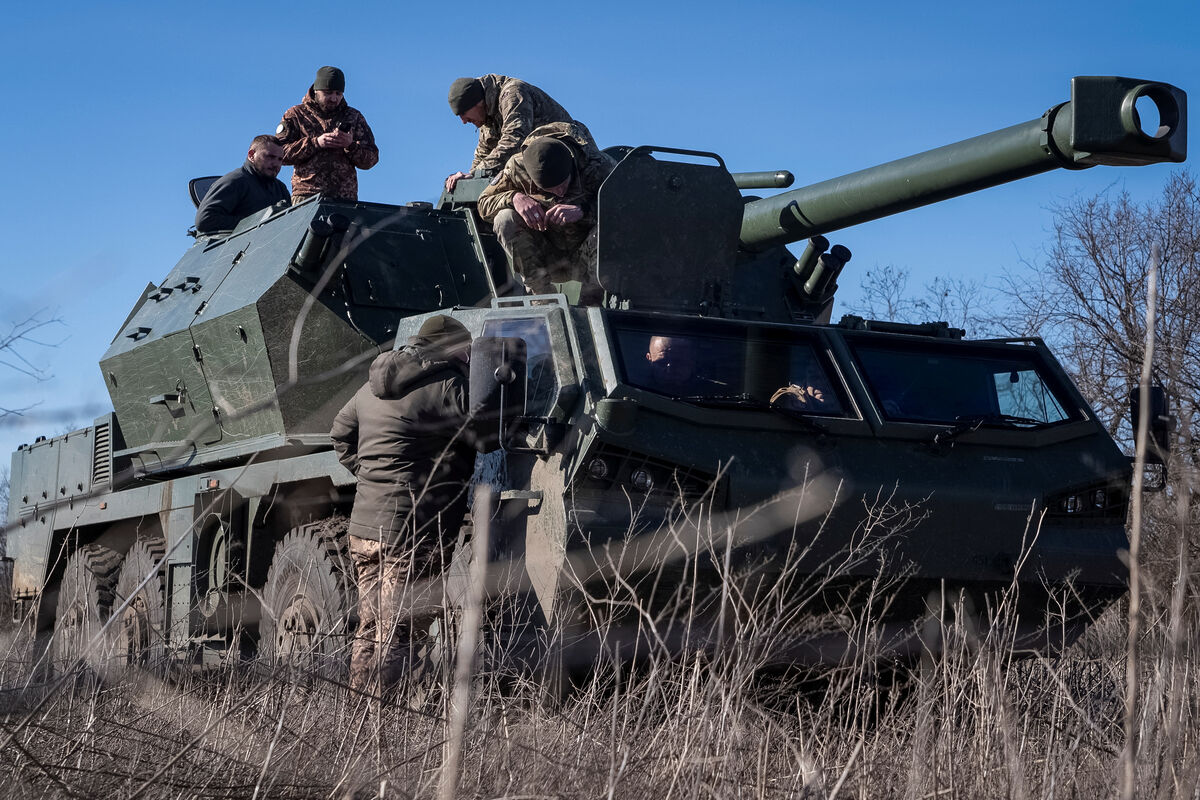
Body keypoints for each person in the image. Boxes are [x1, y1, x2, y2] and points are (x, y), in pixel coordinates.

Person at [329, 315, 490, 698]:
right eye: (465, 348)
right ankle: (382, 722)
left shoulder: (371, 385)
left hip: (365, 531)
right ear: (450, 347)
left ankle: (359, 714)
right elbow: (487, 434)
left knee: (370, 626)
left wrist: (372, 475)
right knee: (399, 630)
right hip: (413, 530)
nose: (468, 355)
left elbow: (339, 433)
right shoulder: (448, 384)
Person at [476, 122, 614, 304]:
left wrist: (584, 211)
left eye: (563, 184)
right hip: (545, 256)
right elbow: (483, 203)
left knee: (605, 230)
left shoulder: (598, 165)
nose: (559, 193)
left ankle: (590, 307)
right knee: (505, 219)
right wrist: (514, 197)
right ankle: (545, 302)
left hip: (586, 257)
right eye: (550, 189)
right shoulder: (517, 167)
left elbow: (627, 210)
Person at [444, 74, 588, 193]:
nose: (464, 121)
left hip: (568, 161)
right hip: (539, 168)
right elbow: (484, 152)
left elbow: (514, 140)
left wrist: (476, 173)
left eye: (463, 114)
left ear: (478, 103)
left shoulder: (513, 94)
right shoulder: (486, 116)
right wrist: (469, 178)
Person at [276, 66, 378, 202]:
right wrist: (315, 143)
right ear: (316, 90)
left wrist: (350, 145)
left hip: (345, 198)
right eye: (328, 93)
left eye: (338, 93)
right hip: (306, 196)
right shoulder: (296, 115)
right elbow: (279, 154)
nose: (334, 98)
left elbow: (371, 159)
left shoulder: (353, 117)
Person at [194, 135, 290, 234]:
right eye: (270, 157)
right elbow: (205, 220)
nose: (276, 164)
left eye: (280, 159)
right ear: (251, 155)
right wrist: (255, 222)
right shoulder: (235, 181)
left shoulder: (280, 188)